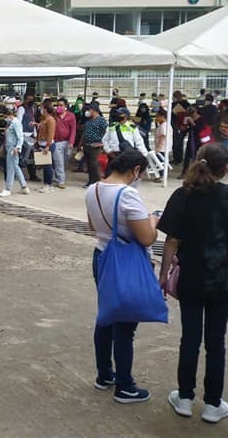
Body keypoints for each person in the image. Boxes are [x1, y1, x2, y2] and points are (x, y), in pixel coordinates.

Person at [158, 143, 228, 423]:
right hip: (222, 280)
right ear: (225, 167)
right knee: (216, 342)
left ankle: (183, 398)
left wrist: (163, 275)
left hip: (191, 279)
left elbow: (171, 240)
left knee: (189, 339)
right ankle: (212, 404)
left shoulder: (183, 195)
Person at [85, 149, 158, 404]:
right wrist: (153, 220)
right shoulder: (128, 195)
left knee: (106, 316)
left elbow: (92, 226)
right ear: (136, 170)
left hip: (102, 256)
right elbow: (147, 238)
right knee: (125, 325)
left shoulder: (92, 189)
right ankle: (125, 386)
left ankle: (104, 375)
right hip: (126, 262)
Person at [0, 108, 28, 197]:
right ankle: (24, 186)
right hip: (9, 147)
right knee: (15, 167)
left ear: (10, 115)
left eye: (5, 116)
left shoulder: (15, 123)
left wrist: (17, 147)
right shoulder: (10, 123)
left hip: (13, 148)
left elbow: (20, 136)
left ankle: (8, 188)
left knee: (10, 168)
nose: (5, 118)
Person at [82, 102, 108, 187]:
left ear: (93, 110)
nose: (87, 112)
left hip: (96, 146)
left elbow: (107, 132)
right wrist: (80, 144)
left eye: (89, 110)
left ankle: (98, 183)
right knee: (89, 165)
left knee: (94, 164)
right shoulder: (88, 120)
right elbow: (84, 132)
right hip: (86, 145)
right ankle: (90, 181)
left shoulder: (101, 120)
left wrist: (102, 143)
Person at [16, 92, 40, 182]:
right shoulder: (21, 109)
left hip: (31, 135)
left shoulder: (32, 109)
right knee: (22, 157)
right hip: (23, 135)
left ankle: (32, 175)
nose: (31, 101)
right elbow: (18, 123)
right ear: (25, 99)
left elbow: (32, 122)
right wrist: (20, 136)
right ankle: (19, 175)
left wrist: (36, 135)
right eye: (29, 99)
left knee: (31, 157)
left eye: (32, 99)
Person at [53, 97, 76, 189]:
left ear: (66, 106)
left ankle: (57, 176)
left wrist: (71, 142)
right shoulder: (54, 115)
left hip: (67, 142)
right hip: (57, 142)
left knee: (65, 161)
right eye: (57, 105)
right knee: (59, 162)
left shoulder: (71, 116)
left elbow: (73, 129)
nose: (59, 107)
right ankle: (61, 181)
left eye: (61, 105)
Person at [36, 99, 57, 193]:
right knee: (45, 165)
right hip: (42, 144)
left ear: (45, 109)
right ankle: (46, 184)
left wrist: (48, 146)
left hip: (47, 145)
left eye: (41, 107)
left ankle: (48, 184)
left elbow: (51, 134)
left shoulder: (50, 120)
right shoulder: (45, 119)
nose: (40, 109)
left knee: (48, 166)